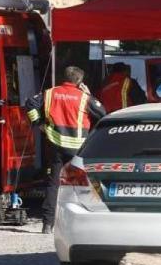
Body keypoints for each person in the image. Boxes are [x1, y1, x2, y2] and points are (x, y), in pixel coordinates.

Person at [25, 66, 106, 234]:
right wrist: (89, 94)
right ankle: (95, 220)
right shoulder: (84, 97)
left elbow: (30, 103)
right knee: (87, 183)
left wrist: (38, 123)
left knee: (53, 184)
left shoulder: (50, 93)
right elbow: (103, 113)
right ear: (79, 81)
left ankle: (47, 224)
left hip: (56, 145)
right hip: (78, 147)